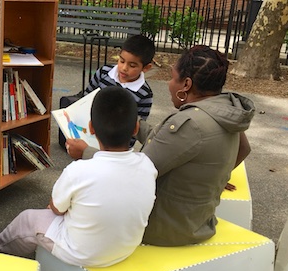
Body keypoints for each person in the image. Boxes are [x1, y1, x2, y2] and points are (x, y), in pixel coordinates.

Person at [67, 45, 255, 247]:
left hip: (164, 229)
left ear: (187, 84)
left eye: (173, 77)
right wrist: (215, 175)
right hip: (197, 220)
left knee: (77, 205)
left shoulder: (190, 124)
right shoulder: (224, 111)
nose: (169, 83)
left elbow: (132, 173)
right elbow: (243, 149)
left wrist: (85, 152)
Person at [0, 87, 157, 267]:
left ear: (91, 127)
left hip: (82, 253)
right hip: (125, 249)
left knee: (28, 219)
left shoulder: (79, 170)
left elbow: (55, 208)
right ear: (135, 128)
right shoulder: (147, 165)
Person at [84, 34, 155, 147]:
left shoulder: (145, 94)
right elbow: (85, 100)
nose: (124, 68)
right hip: (88, 134)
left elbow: (135, 128)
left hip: (118, 148)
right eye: (121, 61)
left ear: (146, 68)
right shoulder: (103, 73)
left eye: (132, 65)